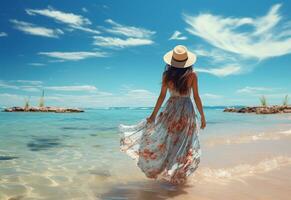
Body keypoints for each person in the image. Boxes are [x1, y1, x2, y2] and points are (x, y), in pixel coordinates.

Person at [119, 45, 206, 185]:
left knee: (167, 141)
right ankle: (177, 176)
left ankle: (166, 172)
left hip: (171, 109)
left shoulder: (167, 75)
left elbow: (161, 97)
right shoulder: (192, 75)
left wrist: (153, 115)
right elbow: (196, 97)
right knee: (183, 144)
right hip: (186, 111)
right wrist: (202, 116)